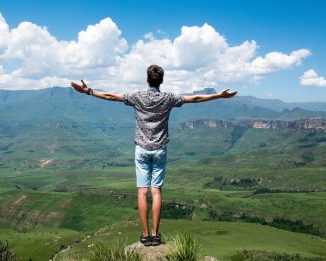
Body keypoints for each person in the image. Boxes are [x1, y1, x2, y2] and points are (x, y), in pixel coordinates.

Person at [70, 65, 238, 247]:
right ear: (162, 81)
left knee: (142, 191)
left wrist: (89, 91)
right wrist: (219, 95)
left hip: (141, 149)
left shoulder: (137, 96)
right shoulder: (169, 98)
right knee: (156, 191)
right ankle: (156, 235)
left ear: (147, 80)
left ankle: (145, 235)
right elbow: (195, 98)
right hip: (160, 149)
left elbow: (111, 96)